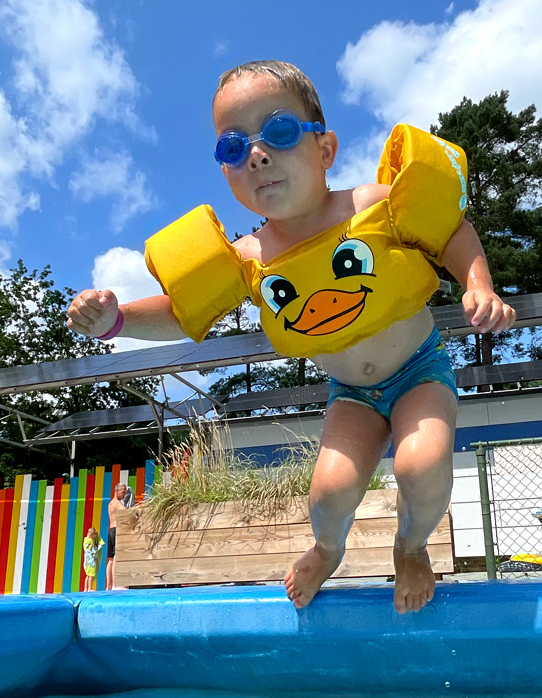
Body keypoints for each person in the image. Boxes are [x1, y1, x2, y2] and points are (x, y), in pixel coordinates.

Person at [66, 60, 515, 613]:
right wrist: (117, 318)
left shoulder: (372, 205)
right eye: (233, 148)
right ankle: (328, 549)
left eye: (278, 133)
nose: (256, 154)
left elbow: (449, 230)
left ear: (324, 150)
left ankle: (411, 546)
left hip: (419, 369)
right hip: (352, 394)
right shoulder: (250, 257)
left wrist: (478, 283)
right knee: (328, 494)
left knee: (421, 465)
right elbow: (185, 312)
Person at [106, 483, 133, 590]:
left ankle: (109, 585)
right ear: (117, 491)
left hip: (111, 530)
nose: (124, 495)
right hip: (117, 530)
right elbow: (126, 512)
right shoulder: (117, 503)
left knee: (111, 559)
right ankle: (116, 584)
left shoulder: (110, 504)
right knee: (117, 557)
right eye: (123, 492)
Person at [83, 528, 103, 592]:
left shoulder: (85, 540)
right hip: (91, 561)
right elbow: (93, 549)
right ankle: (90, 588)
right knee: (91, 575)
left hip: (87, 561)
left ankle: (85, 588)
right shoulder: (90, 541)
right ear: (91, 535)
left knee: (88, 575)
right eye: (94, 536)